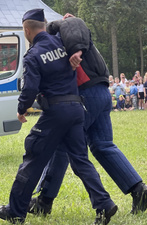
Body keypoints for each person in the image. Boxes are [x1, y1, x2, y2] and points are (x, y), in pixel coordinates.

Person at [27, 13, 147, 217]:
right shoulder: (70, 32)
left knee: (60, 145)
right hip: (101, 93)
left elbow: (72, 24)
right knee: (102, 145)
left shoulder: (64, 26)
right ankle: (139, 189)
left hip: (85, 94)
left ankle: (44, 201)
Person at [0, 9, 117, 224]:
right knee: (81, 161)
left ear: (26, 30)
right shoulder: (63, 45)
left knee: (33, 157)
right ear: (44, 25)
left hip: (55, 112)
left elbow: (30, 87)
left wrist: (21, 108)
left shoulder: (34, 54)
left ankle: (15, 212)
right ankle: (104, 204)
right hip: (76, 110)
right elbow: (74, 26)